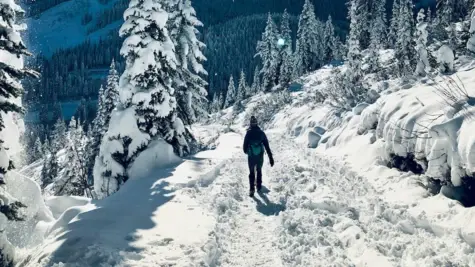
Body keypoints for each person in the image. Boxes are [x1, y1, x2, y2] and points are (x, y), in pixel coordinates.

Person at [243, 116, 274, 197]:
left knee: (252, 172)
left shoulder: (248, 133)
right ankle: (259, 186)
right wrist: (271, 158)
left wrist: (248, 152)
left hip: (251, 156)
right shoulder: (261, 133)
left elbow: (244, 147)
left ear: (250, 124)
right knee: (259, 170)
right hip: (260, 155)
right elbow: (267, 146)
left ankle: (251, 189)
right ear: (257, 123)